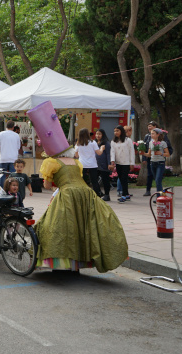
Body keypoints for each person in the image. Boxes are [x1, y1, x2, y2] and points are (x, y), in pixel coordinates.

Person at [27, 100, 128, 273]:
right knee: (84, 227)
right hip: (86, 194)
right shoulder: (75, 162)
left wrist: (53, 186)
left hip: (66, 195)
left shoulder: (51, 162)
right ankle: (79, 264)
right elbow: (78, 178)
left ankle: (61, 265)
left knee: (61, 228)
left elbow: (47, 184)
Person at [139, 127, 170, 193]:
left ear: (158, 134)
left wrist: (161, 153)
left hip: (160, 163)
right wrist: (143, 153)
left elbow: (168, 154)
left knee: (158, 180)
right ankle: (161, 194)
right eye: (151, 134)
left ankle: (158, 197)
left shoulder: (163, 143)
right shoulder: (151, 142)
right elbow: (149, 154)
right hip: (152, 163)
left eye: (153, 134)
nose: (151, 135)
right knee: (157, 180)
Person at [74, 128, 104, 196]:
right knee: (94, 180)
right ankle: (97, 193)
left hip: (82, 164)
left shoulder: (78, 143)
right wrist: (102, 148)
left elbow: (76, 155)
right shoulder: (93, 142)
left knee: (82, 180)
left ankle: (81, 193)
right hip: (92, 164)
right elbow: (99, 153)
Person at [110, 125, 135, 204]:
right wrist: (112, 160)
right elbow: (112, 151)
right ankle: (127, 194)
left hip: (126, 162)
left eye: (117, 131)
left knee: (124, 178)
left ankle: (123, 195)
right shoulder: (113, 141)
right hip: (118, 162)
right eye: (115, 131)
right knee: (121, 178)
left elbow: (132, 152)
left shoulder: (128, 140)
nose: (116, 132)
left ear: (121, 131)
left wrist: (132, 163)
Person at [95, 129, 112, 201]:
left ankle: (107, 195)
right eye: (97, 134)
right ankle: (99, 192)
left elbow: (108, 154)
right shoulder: (94, 143)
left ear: (103, 135)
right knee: (94, 179)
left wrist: (109, 163)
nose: (98, 135)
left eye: (99, 134)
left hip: (104, 164)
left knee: (105, 180)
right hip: (96, 164)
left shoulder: (106, 143)